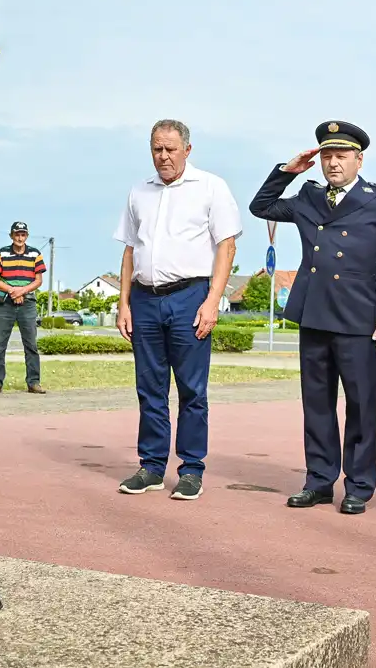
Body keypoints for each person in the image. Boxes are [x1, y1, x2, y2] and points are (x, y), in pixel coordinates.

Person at [248, 120, 376, 515]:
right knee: (317, 404)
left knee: (361, 404)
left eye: (341, 156)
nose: (333, 163)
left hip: (359, 318)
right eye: (327, 156)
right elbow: (261, 206)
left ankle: (358, 485)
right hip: (315, 313)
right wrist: (288, 170)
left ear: (359, 159)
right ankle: (319, 481)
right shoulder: (308, 196)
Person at [113, 119, 242, 500]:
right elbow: (129, 251)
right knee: (149, 388)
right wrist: (123, 303)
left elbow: (227, 245)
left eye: (170, 149)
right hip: (145, 298)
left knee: (191, 389)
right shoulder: (139, 191)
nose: (163, 156)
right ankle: (151, 467)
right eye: (156, 149)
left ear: (187, 150)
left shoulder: (211, 187)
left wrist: (212, 301)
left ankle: (191, 469)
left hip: (190, 297)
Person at [0, 221, 47, 394]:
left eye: (23, 234)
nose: (20, 237)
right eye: (17, 234)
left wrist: (22, 291)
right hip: (5, 303)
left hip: (27, 304)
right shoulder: (2, 253)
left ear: (26, 236)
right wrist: (12, 291)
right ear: (11, 236)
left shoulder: (35, 254)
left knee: (31, 345)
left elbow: (38, 280)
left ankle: (33, 382)